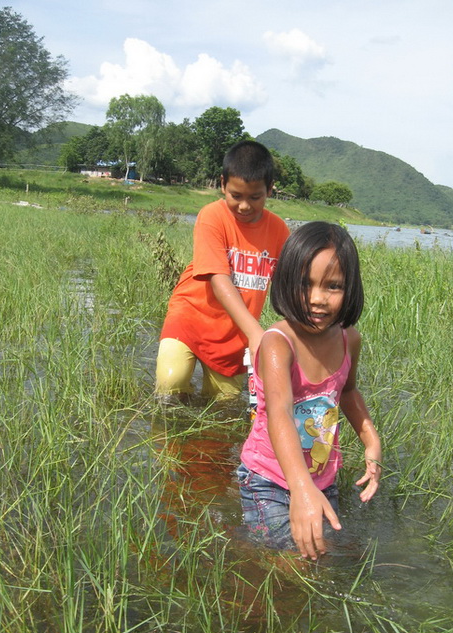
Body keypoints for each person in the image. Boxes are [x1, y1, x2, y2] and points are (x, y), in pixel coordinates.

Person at [237, 222, 382, 559]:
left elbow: (347, 393)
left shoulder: (349, 340)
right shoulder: (278, 344)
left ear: (350, 290)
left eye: (333, 286)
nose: (317, 299)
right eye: (306, 284)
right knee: (287, 561)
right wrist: (299, 487)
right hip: (268, 478)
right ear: (287, 281)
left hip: (321, 477)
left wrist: (371, 441)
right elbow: (280, 413)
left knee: (320, 556)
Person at [155, 140, 290, 401]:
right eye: (235, 196)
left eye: (255, 197)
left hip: (234, 337)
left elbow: (288, 288)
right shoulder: (212, 216)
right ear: (222, 185)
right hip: (190, 320)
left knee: (223, 408)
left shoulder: (279, 230)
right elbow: (219, 279)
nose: (244, 206)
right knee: (171, 386)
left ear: (270, 190)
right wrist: (255, 332)